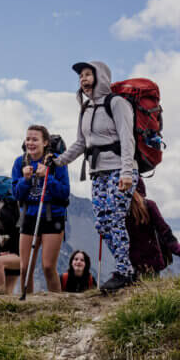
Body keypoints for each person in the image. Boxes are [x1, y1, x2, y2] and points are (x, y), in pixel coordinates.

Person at [55, 61, 139, 293]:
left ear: (100, 76)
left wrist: (126, 172)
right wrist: (58, 161)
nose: (83, 79)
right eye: (81, 76)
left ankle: (123, 271)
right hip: (98, 174)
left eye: (88, 74)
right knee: (102, 224)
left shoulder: (117, 103)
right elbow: (81, 143)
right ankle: (129, 270)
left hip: (121, 171)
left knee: (115, 218)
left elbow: (127, 137)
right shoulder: (85, 109)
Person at [12, 125, 70, 294]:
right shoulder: (20, 162)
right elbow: (16, 194)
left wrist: (48, 177)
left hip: (53, 217)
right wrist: (26, 179)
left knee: (48, 267)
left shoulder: (57, 161)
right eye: (28, 139)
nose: (30, 142)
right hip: (29, 216)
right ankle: (26, 305)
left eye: (35, 139)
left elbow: (64, 192)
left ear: (45, 142)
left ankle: (57, 307)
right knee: (25, 268)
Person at [127, 178, 180, 276]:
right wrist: (178, 249)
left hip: (130, 263)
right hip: (152, 261)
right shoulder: (149, 205)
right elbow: (164, 231)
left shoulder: (120, 209)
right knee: (150, 289)